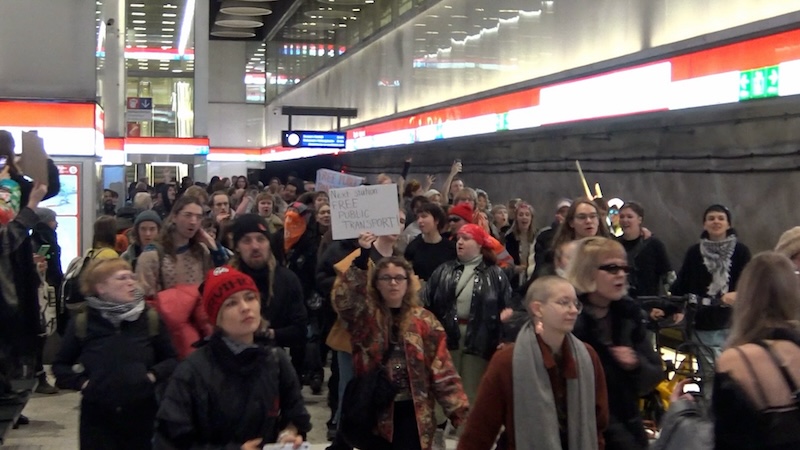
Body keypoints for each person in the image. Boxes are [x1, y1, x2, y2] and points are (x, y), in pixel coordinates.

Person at [333, 238, 469, 450]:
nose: (393, 283)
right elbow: (345, 301)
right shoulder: (365, 317)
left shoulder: (425, 322)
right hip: (375, 413)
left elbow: (443, 371)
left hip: (414, 413)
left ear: (408, 282)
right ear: (376, 283)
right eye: (386, 278)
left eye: (399, 278)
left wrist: (459, 413)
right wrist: (361, 260)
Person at [155, 266, 311, 449]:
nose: (245, 308)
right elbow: (170, 442)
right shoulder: (192, 371)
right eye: (231, 303)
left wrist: (290, 433)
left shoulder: (275, 359)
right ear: (217, 318)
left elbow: (295, 413)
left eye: (250, 298)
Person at [458, 276, 609, 450]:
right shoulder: (508, 360)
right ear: (538, 308)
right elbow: (480, 431)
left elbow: (597, 424)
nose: (573, 310)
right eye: (563, 302)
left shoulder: (587, 357)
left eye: (576, 304)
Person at [53, 258, 177, 450]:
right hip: (97, 418)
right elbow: (60, 366)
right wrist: (84, 383)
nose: (130, 282)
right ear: (101, 288)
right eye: (121, 278)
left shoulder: (149, 318)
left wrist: (151, 377)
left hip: (142, 413)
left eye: (131, 277)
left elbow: (171, 359)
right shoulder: (83, 322)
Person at [568, 236, 664, 449]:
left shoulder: (629, 316)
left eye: (624, 268)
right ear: (587, 271)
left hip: (628, 427)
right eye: (611, 268)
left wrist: (636, 365)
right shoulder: (570, 320)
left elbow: (655, 374)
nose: (621, 274)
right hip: (583, 433)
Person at [423, 223, 512, 404]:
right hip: (447, 338)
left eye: (466, 238)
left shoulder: (495, 274)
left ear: (479, 244)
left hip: (480, 340)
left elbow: (508, 307)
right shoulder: (443, 271)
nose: (460, 242)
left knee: (474, 390)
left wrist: (503, 337)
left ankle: (467, 429)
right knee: (445, 388)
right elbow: (427, 303)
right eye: (458, 238)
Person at [136, 196, 228, 358]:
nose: (193, 222)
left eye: (198, 217)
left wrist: (212, 245)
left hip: (201, 327)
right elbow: (144, 299)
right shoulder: (153, 254)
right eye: (188, 215)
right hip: (167, 332)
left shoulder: (201, 251)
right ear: (174, 217)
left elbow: (223, 278)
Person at [227, 214, 308, 375]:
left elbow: (299, 330)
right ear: (237, 246)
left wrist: (269, 333)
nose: (255, 246)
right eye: (247, 241)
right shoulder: (227, 281)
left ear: (269, 243)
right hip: (231, 366)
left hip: (273, 367)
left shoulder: (287, 279)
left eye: (260, 239)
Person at [671, 204, 751, 356]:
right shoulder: (694, 252)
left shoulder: (741, 251)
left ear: (729, 224)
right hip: (703, 323)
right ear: (704, 224)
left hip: (732, 323)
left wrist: (738, 294)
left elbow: (751, 284)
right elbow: (682, 284)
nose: (716, 222)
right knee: (709, 375)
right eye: (711, 218)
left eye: (721, 218)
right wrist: (674, 308)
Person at [616, 202, 672, 299]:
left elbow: (667, 276)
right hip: (621, 303)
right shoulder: (615, 245)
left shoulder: (654, 244)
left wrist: (673, 305)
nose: (625, 220)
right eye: (622, 217)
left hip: (649, 303)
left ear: (639, 219)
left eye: (630, 217)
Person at [404, 202, 456, 282]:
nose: (420, 221)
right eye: (417, 218)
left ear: (436, 220)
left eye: (424, 216)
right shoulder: (413, 246)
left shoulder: (451, 247)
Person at [505, 202, 536, 288]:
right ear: (516, 218)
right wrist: (514, 268)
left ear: (531, 218)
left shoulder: (537, 237)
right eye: (521, 214)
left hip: (532, 278)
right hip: (513, 280)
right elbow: (503, 261)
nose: (524, 217)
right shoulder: (509, 238)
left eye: (527, 214)